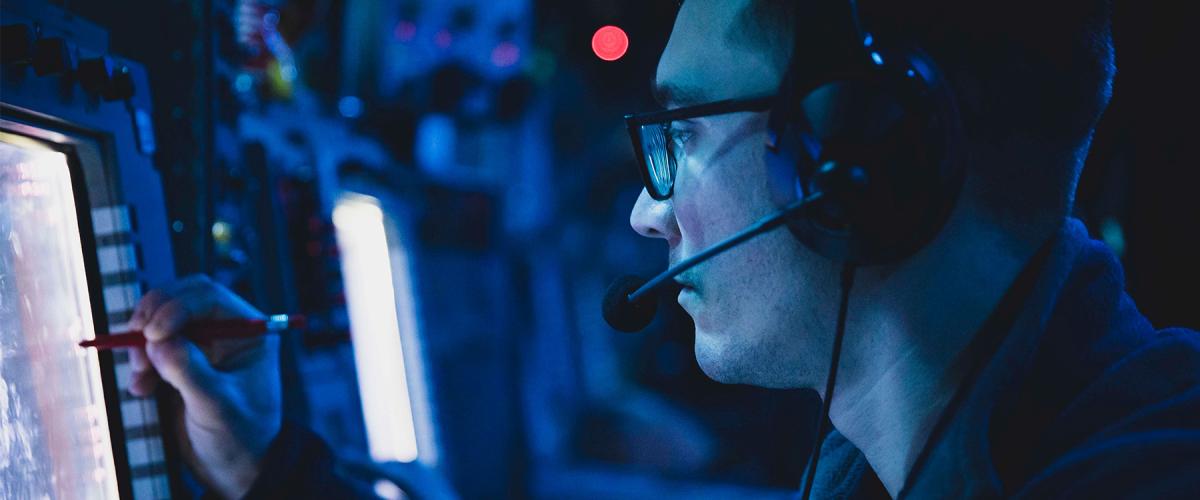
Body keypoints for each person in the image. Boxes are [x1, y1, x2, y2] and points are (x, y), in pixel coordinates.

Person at [129, 0, 1200, 498]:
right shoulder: (887, 452)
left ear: (859, 159)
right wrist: (272, 467)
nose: (649, 214)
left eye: (682, 134)